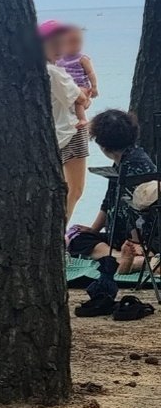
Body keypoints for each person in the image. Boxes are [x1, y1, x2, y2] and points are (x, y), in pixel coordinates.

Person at [69, 109, 157, 318]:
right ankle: (122, 257)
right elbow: (108, 201)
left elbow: (138, 209)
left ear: (103, 145)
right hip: (121, 237)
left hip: (141, 236)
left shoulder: (136, 166)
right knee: (76, 236)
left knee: (78, 242)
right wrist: (93, 229)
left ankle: (129, 258)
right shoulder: (122, 162)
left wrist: (136, 241)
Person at [42, 22, 91, 226]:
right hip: (70, 132)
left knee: (58, 189)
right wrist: (84, 96)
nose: (59, 48)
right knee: (75, 189)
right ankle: (59, 232)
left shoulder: (37, 70)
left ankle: (55, 231)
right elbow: (81, 99)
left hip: (51, 134)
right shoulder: (54, 72)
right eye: (53, 44)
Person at [50, 21, 99, 98]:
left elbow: (91, 73)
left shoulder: (82, 59)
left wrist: (94, 87)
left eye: (78, 42)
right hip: (66, 88)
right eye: (71, 43)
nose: (76, 46)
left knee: (79, 101)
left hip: (81, 88)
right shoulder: (59, 58)